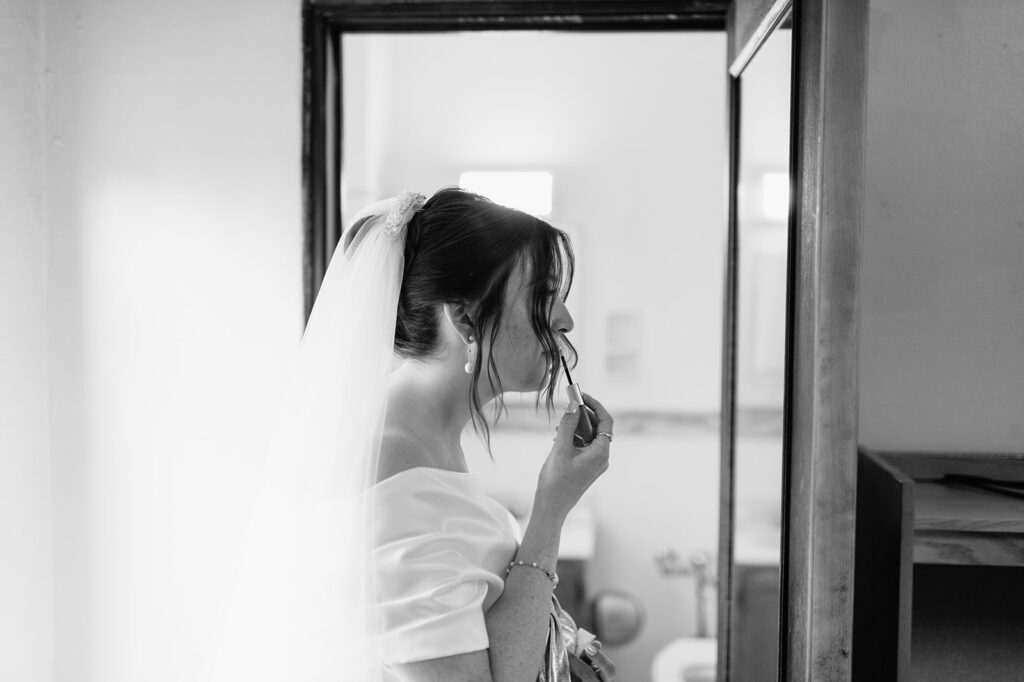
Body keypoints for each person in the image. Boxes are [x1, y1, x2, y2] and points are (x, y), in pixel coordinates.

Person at [203, 188, 616, 682]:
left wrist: (559, 640)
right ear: (464, 317)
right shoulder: (397, 478)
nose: (565, 320)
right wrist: (551, 509)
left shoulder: (419, 441)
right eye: (545, 296)